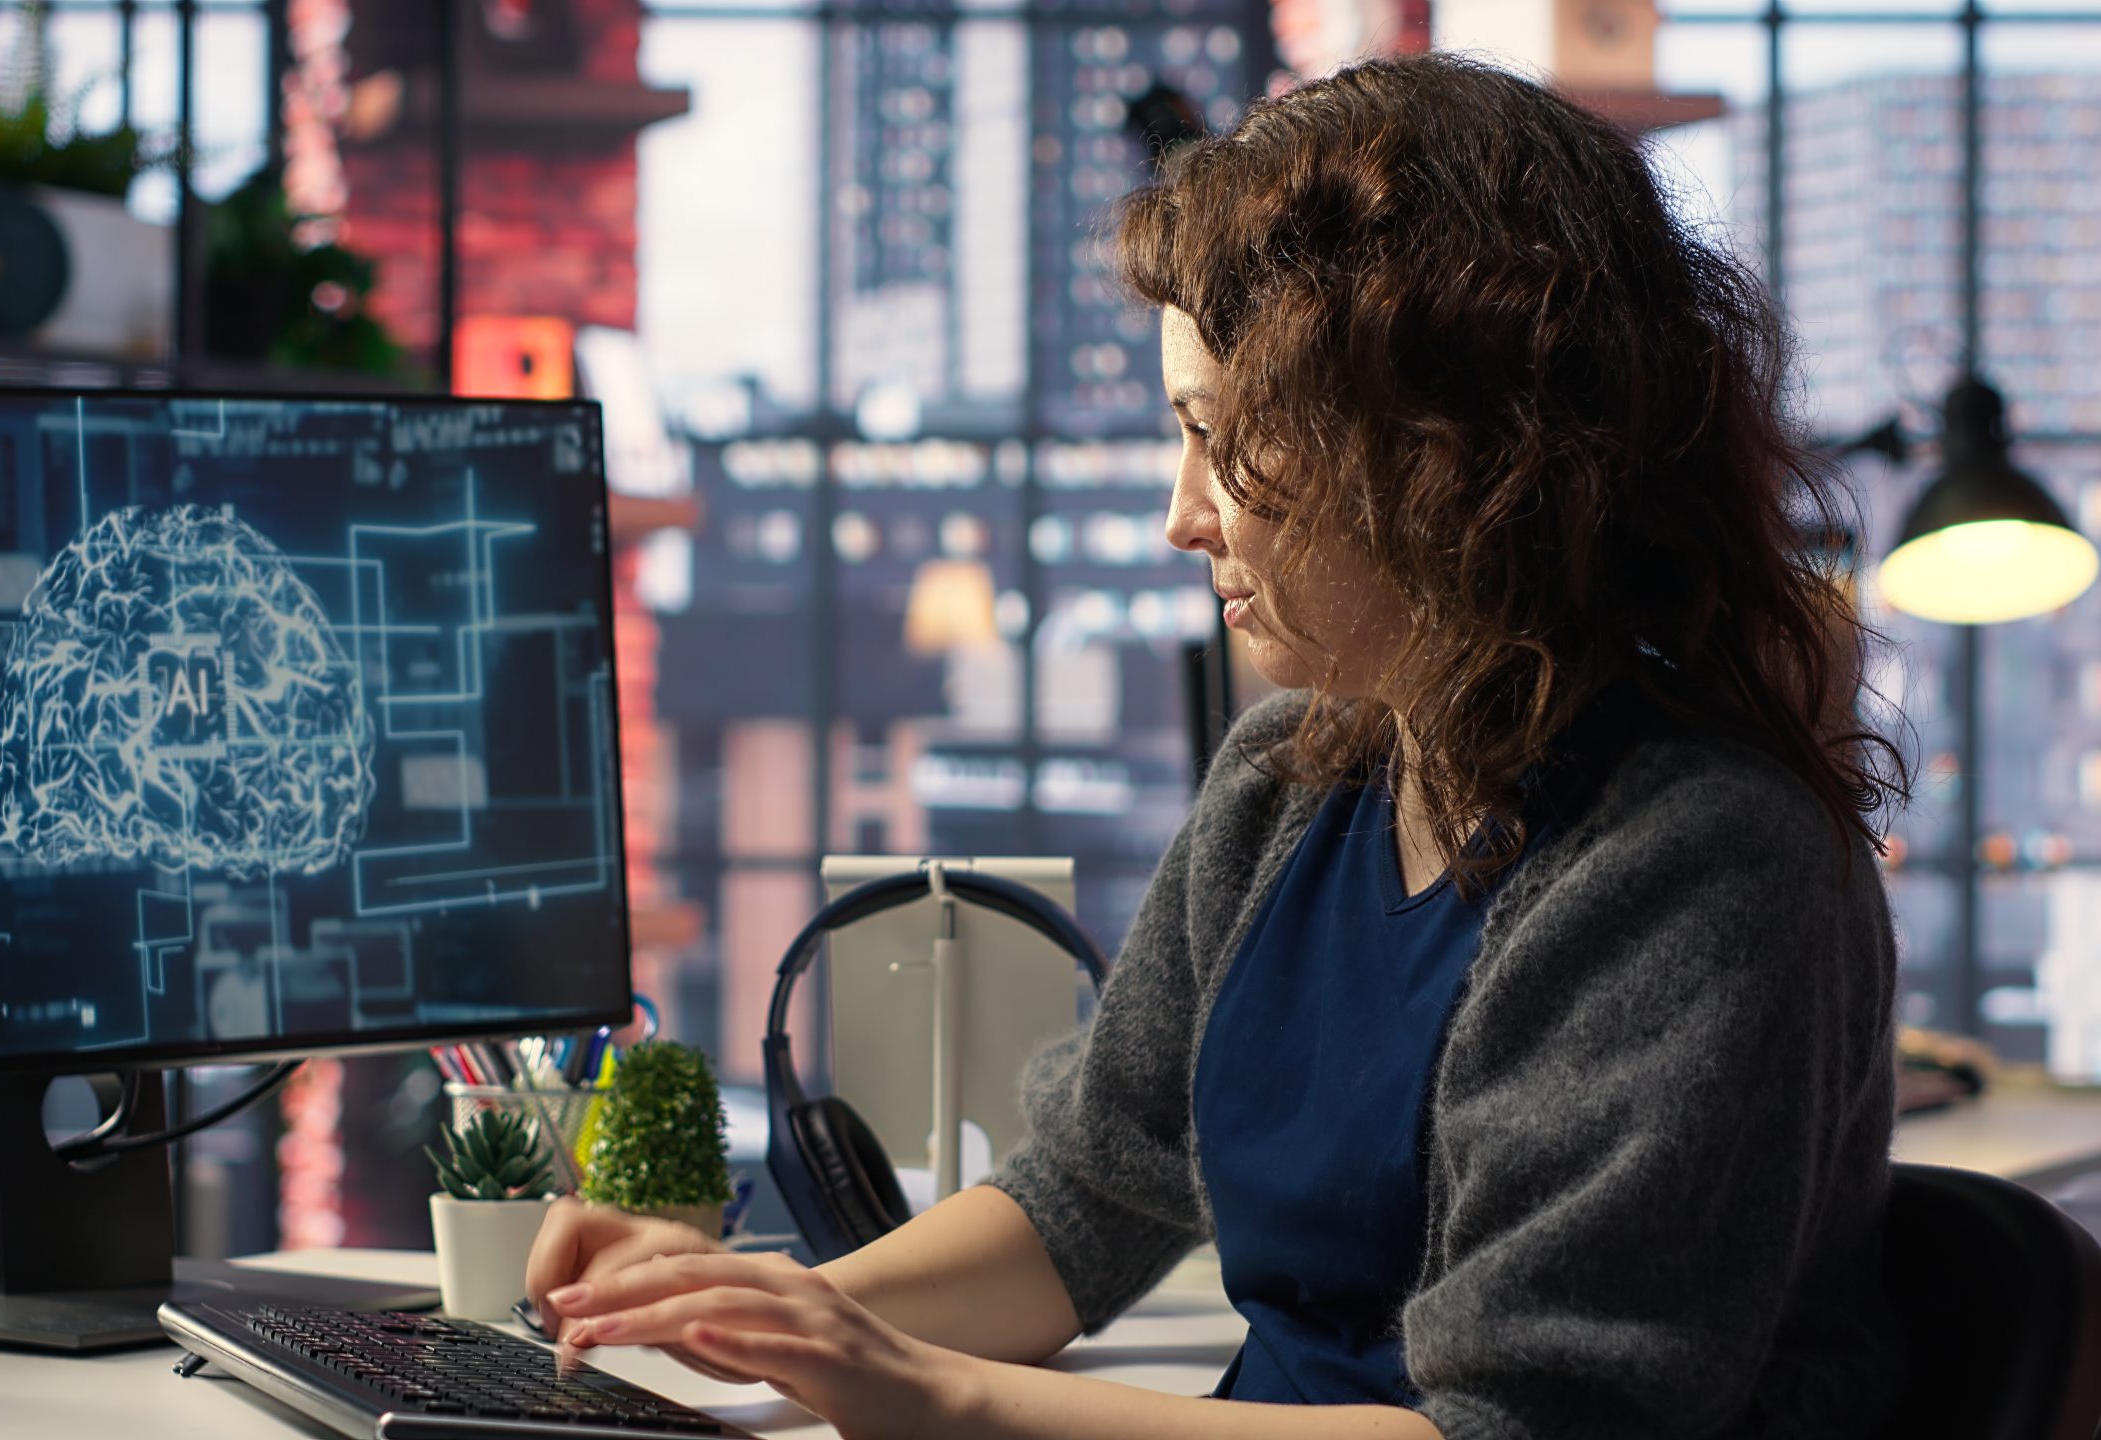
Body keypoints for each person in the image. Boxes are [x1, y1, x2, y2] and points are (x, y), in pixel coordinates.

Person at [526, 51, 1911, 1440]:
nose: (1183, 517)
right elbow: (1082, 1207)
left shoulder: (1694, 865)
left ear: (1440, 455)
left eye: (1219, 437)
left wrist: (941, 1401)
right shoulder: (1286, 789)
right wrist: (750, 1309)